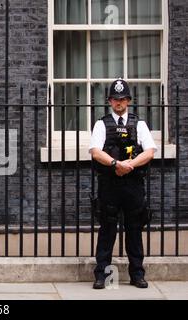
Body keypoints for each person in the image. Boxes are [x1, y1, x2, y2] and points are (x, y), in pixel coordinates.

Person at [89, 79, 157, 289]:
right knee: (107, 230)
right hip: (110, 184)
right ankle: (103, 276)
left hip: (133, 184)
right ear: (110, 101)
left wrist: (129, 165)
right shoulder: (101, 124)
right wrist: (115, 163)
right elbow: (95, 150)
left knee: (134, 229)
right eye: (115, 99)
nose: (119, 102)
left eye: (122, 99)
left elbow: (150, 151)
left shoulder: (140, 124)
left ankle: (137, 274)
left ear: (128, 100)